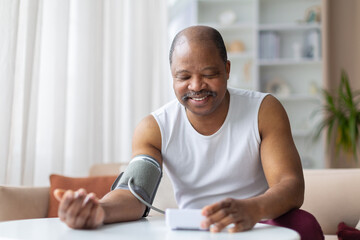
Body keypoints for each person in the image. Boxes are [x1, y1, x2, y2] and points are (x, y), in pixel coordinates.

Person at [54, 26, 324, 239]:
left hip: (259, 220)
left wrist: (252, 208)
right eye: (183, 77)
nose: (196, 86)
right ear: (172, 76)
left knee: (305, 224)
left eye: (209, 73)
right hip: (196, 228)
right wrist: (98, 210)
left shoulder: (263, 110)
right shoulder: (154, 128)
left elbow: (290, 186)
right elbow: (135, 196)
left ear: (227, 70)